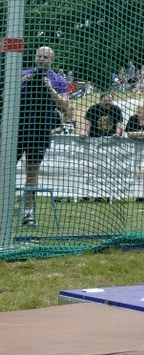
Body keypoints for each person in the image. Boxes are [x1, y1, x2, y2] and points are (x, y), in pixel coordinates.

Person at [10, 46, 69, 225]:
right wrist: (20, 81)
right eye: (39, 56)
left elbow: (65, 107)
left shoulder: (58, 80)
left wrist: (50, 89)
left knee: (32, 172)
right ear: (35, 58)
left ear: (52, 60)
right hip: (18, 128)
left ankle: (28, 214)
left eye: (45, 57)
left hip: (40, 130)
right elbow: (6, 96)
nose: (42, 59)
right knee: (4, 169)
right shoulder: (22, 73)